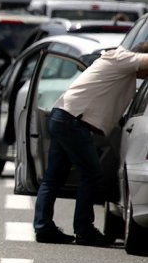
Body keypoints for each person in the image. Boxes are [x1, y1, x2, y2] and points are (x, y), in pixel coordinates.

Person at [33, 42, 148, 246]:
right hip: (73, 120)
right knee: (92, 173)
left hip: (65, 117)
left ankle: (43, 227)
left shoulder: (124, 72)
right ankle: (84, 230)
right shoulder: (121, 57)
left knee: (54, 177)